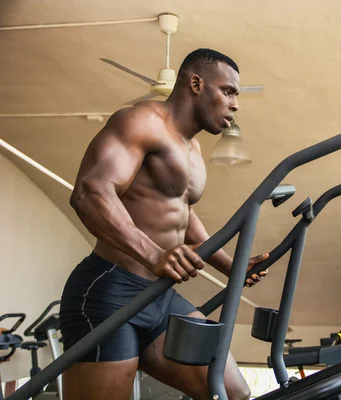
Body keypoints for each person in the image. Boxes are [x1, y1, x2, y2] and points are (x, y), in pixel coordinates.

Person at [59, 48, 267, 400]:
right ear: (196, 83)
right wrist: (154, 255)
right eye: (228, 91)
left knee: (232, 394)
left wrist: (230, 266)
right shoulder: (140, 122)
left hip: (159, 297)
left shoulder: (193, 149)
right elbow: (91, 192)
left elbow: (181, 213)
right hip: (109, 291)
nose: (236, 104)